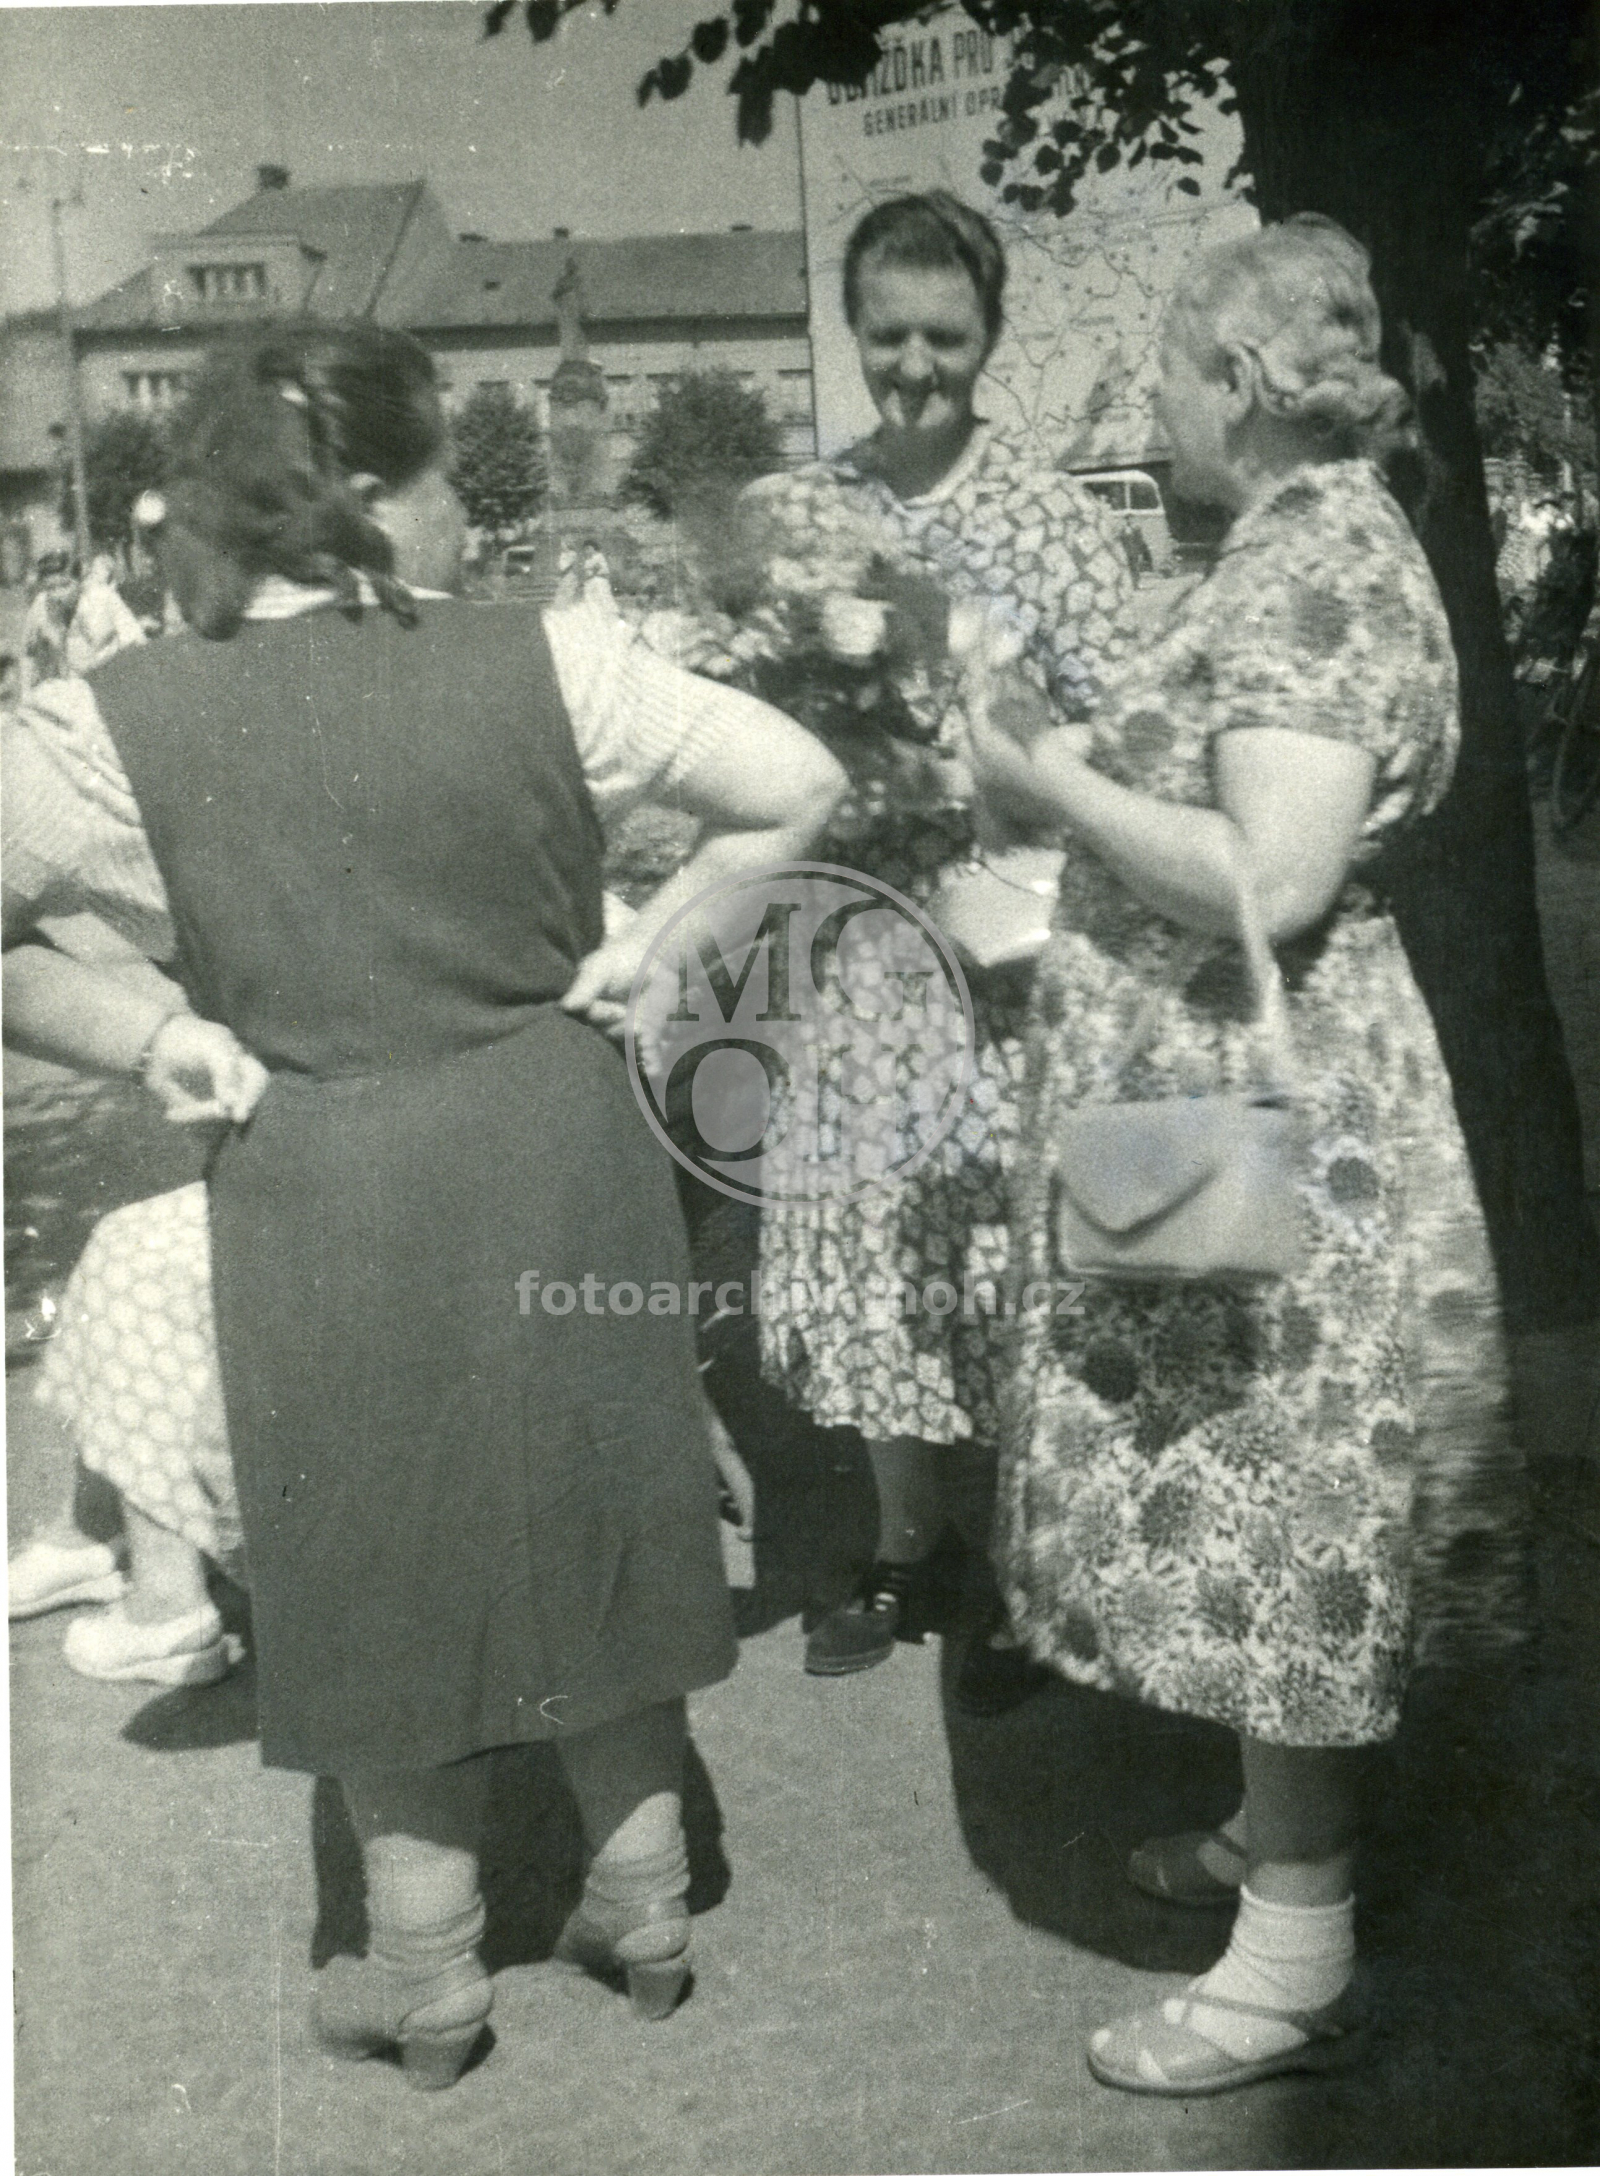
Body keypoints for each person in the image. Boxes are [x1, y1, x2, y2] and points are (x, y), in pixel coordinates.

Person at [2, 318, 845, 2089]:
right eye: (450, 477)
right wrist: (656, 938)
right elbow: (796, 785)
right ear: (371, 498)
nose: (470, 511)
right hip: (559, 1147)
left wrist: (150, 1029)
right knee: (596, 1498)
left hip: (321, 1179)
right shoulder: (554, 660)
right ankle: (647, 1899)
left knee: (370, 1545)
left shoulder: (109, 722)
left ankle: (430, 1968)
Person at [964, 215, 1518, 2095]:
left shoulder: (1317, 560)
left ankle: (1295, 1951)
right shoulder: (1296, 545)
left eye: (1175, 378)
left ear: (1240, 385)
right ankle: (1272, 1843)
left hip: (1260, 1096)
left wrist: (1048, 782)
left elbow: (1273, 877)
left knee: (1274, 1507)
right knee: (1214, 1483)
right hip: (1209, 1097)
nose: (1159, 412)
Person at [707, 191, 1135, 1686]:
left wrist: (993, 720)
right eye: (886, 332)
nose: (912, 363)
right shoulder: (813, 510)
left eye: (943, 335)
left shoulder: (1054, 518)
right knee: (876, 1251)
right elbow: (744, 719)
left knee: (1003, 1256)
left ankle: (1025, 1560)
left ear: (990, 337)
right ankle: (907, 1544)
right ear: (852, 330)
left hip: (1004, 950)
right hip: (856, 945)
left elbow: (1129, 727)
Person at [66, 552, 147, 676]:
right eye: (93, 571)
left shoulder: (105, 595)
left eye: (98, 571)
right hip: (82, 663)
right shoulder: (89, 596)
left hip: (102, 661)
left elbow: (129, 629)